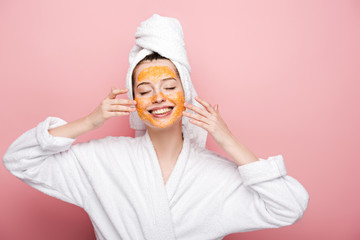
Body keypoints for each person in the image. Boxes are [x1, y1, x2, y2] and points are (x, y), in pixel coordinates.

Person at [3, 14, 309, 240]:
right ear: (134, 101)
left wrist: (227, 140)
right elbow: (19, 159)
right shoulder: (103, 161)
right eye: (145, 90)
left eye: (168, 86)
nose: (158, 97)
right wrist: (90, 121)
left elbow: (290, 205)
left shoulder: (216, 175)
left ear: (186, 93)